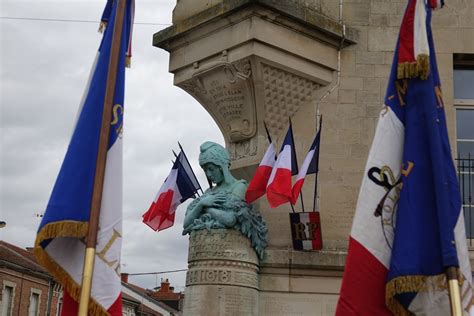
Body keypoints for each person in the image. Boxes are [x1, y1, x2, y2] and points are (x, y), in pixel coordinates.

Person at [182, 141, 268, 259]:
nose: (209, 174)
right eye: (205, 170)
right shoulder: (209, 193)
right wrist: (201, 204)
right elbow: (186, 223)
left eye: (211, 169)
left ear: (221, 166)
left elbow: (230, 219)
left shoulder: (239, 187)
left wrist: (206, 208)